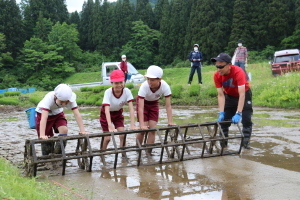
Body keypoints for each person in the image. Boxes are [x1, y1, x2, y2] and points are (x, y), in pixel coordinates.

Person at [211, 53, 253, 149]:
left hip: (244, 95)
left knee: (246, 120)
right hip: (229, 96)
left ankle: (245, 145)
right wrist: (221, 112)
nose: (218, 69)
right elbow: (221, 95)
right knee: (224, 120)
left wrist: (238, 113)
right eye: (217, 66)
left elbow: (242, 94)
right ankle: (223, 145)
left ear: (229, 65)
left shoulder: (238, 72)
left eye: (221, 66)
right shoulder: (217, 75)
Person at [35, 84, 88, 155]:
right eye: (61, 102)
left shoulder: (70, 99)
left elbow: (77, 114)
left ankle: (58, 154)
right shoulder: (49, 98)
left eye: (66, 102)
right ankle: (47, 155)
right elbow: (44, 118)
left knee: (64, 129)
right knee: (47, 137)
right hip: (43, 114)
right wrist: (42, 135)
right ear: (55, 97)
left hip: (58, 114)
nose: (63, 104)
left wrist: (82, 130)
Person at [136, 65, 175, 155]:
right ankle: (137, 151)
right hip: (143, 104)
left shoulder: (165, 86)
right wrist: (141, 124)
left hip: (154, 104)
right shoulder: (144, 86)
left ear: (159, 79)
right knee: (143, 130)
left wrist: (170, 121)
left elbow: (168, 106)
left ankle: (148, 153)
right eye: (148, 79)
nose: (150, 82)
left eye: (152, 80)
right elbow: (140, 107)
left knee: (152, 129)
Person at [100, 70, 136, 155]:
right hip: (106, 115)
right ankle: (102, 154)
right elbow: (106, 110)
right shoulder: (108, 92)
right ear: (112, 83)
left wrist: (132, 124)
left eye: (121, 82)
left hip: (118, 114)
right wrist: (110, 126)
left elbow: (131, 108)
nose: (119, 85)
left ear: (124, 82)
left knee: (122, 135)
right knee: (107, 138)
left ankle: (123, 154)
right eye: (116, 83)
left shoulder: (127, 91)